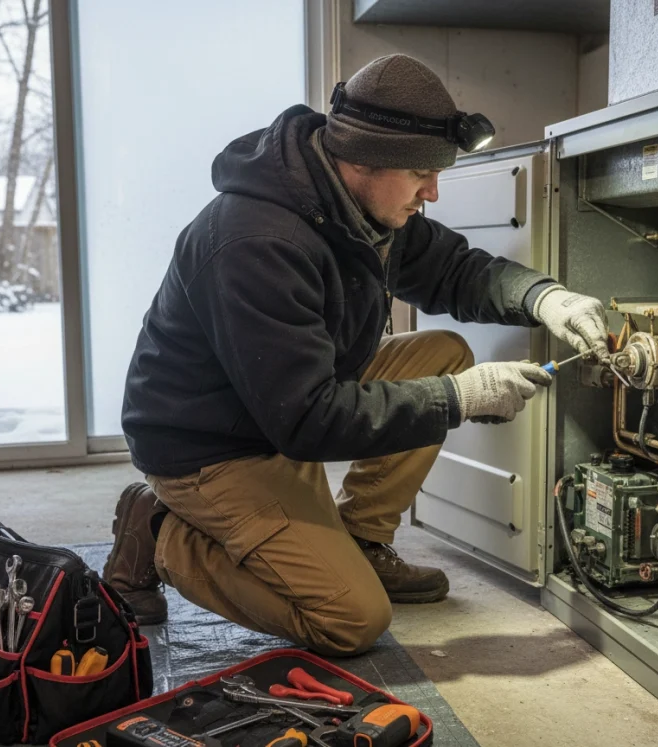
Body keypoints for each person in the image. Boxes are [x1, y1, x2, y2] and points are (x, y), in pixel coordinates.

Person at [104, 54, 610, 656]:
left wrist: (544, 297)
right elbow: (309, 421)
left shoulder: (356, 206)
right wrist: (462, 399)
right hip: (212, 446)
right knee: (350, 619)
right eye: (422, 172)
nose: (433, 191)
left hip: (279, 404)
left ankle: (362, 539)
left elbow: (451, 269)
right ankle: (157, 530)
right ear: (364, 159)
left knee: (442, 353)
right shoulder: (256, 242)